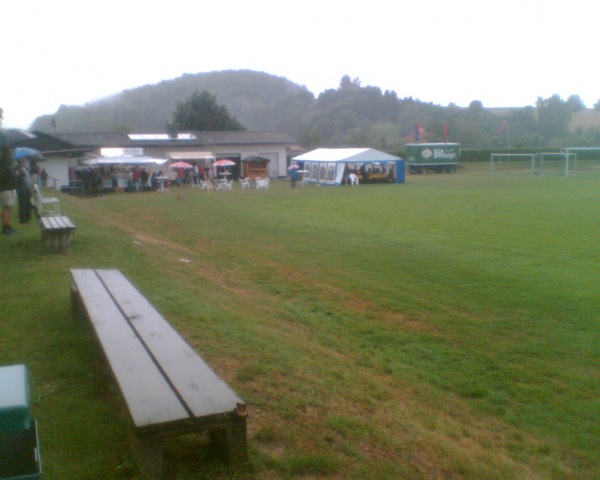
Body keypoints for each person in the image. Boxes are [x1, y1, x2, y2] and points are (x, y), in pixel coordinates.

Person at [0, 142, 18, 235]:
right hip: (5, 188)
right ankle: (5, 228)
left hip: (11, 188)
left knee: (10, 208)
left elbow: (11, 171)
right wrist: (12, 174)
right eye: (10, 151)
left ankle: (9, 226)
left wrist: (15, 172)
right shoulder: (2, 162)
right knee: (6, 208)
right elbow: (2, 175)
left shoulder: (10, 162)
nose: (11, 152)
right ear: (6, 152)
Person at [16, 158, 33, 223]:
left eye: (24, 160)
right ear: (19, 161)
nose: (24, 161)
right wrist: (20, 173)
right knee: (22, 204)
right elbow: (17, 178)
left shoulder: (26, 168)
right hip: (21, 189)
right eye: (22, 160)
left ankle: (27, 218)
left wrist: (31, 187)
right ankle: (22, 220)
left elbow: (29, 177)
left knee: (28, 204)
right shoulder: (17, 168)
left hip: (28, 188)